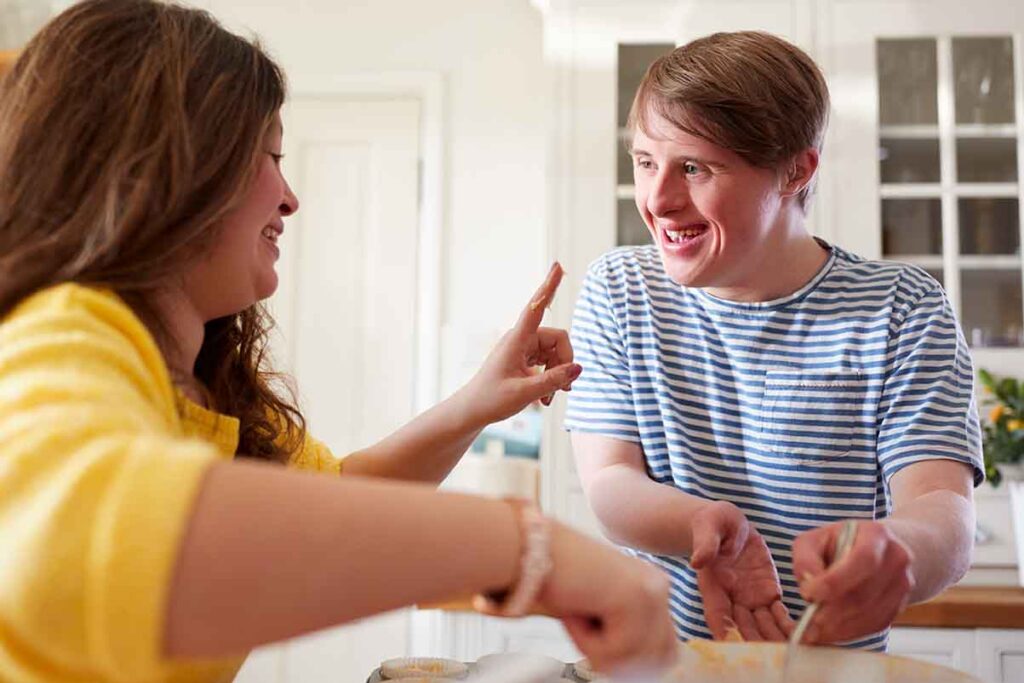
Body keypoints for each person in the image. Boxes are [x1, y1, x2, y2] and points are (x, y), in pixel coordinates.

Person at [0, 1, 679, 681]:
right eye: (270, 156)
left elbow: (346, 494)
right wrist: (527, 547)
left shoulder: (203, 389)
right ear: (168, 169)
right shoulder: (62, 332)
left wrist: (476, 404)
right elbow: (89, 535)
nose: (289, 197)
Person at [565, 30, 981, 651]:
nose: (657, 200)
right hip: (652, 664)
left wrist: (897, 548)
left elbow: (942, 507)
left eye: (695, 168)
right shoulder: (620, 290)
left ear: (795, 171)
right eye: (646, 161)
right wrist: (702, 523)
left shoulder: (901, 309)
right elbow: (608, 483)